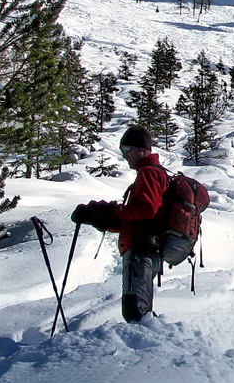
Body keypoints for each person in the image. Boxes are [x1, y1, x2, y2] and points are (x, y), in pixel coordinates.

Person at [72, 125, 170, 323]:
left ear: (142, 149)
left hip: (142, 251)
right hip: (144, 249)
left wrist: (111, 211)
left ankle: (153, 346)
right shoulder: (151, 173)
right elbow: (136, 218)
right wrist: (102, 218)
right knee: (136, 310)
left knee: (137, 313)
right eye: (122, 151)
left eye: (127, 150)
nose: (125, 156)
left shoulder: (149, 173)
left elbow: (145, 211)